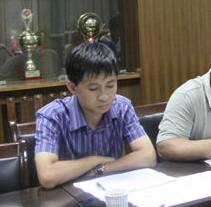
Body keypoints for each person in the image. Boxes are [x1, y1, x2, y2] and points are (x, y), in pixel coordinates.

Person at [34, 43, 156, 189]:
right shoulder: (52, 116)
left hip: (112, 191)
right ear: (73, 88)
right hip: (68, 195)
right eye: (93, 88)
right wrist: (95, 160)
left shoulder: (122, 107)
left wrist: (100, 169)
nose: (104, 96)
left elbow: (148, 156)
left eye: (110, 86)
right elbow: (47, 175)